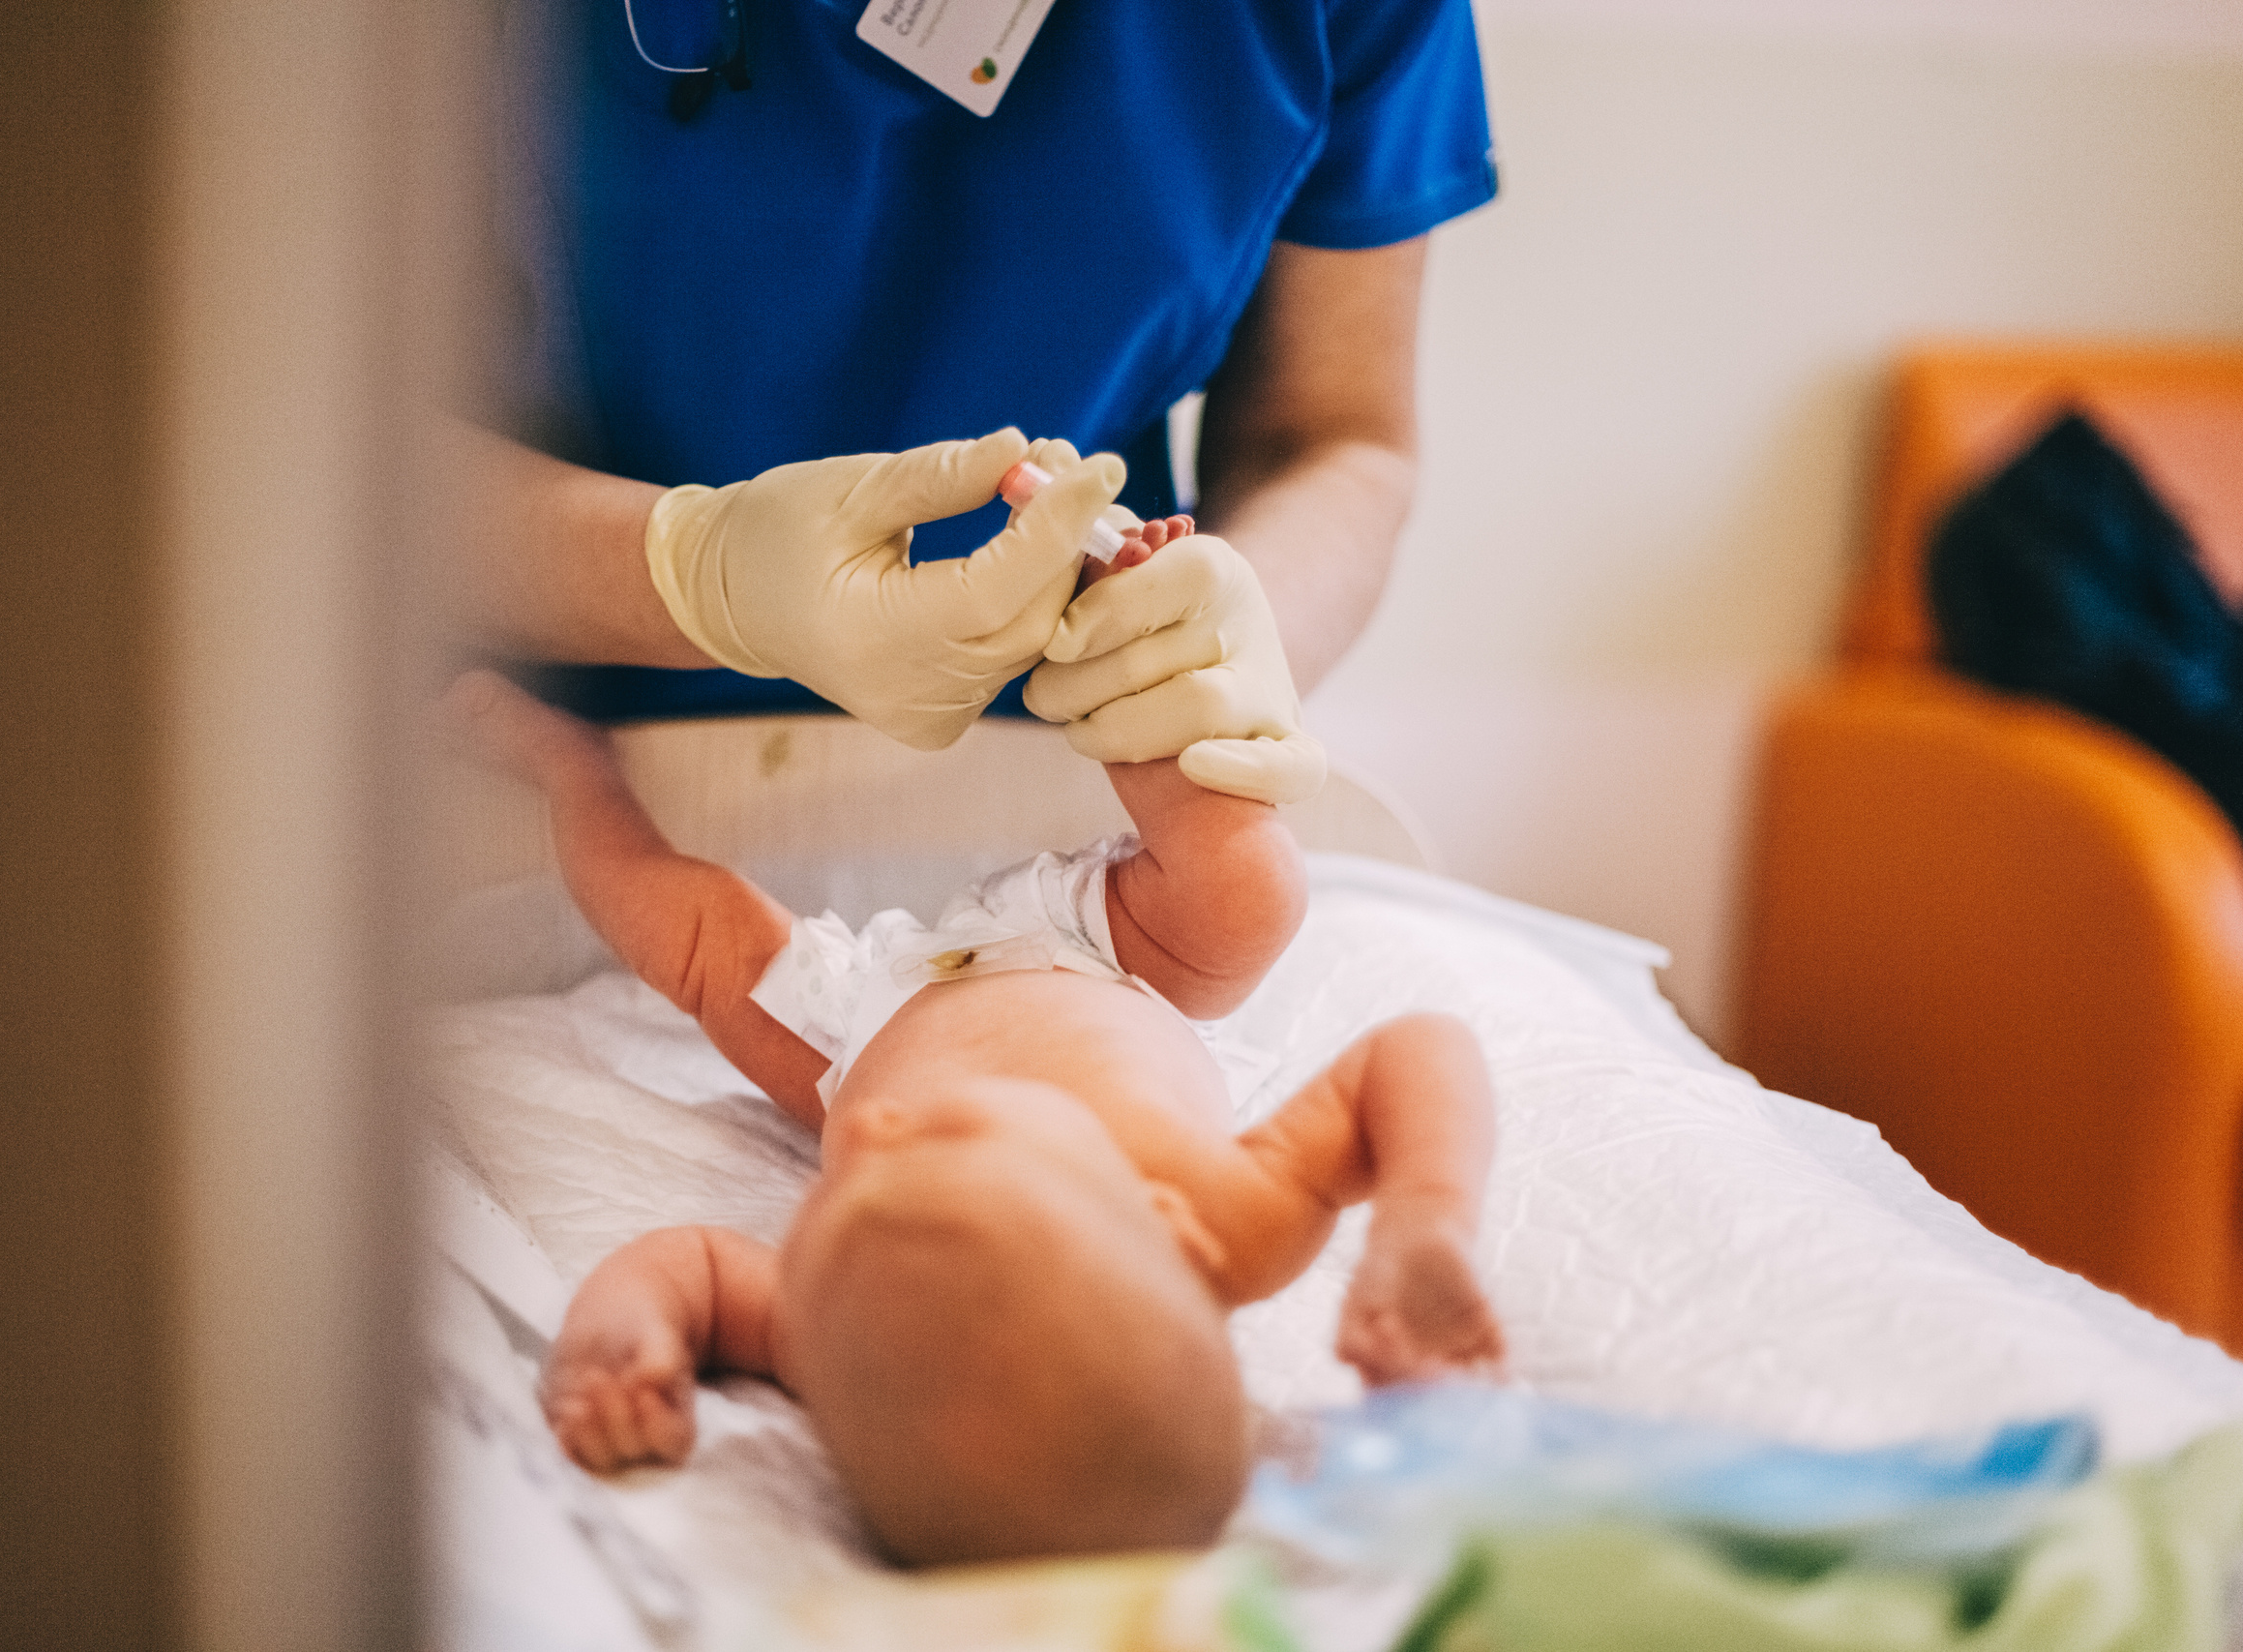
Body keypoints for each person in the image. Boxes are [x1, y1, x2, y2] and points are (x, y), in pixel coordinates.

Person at [440, 548, 1504, 1564]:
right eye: (954, 1142)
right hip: (1097, 960)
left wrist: (619, 1342)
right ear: (1156, 1229)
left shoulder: (842, 1332)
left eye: (866, 1176)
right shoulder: (1219, 1222)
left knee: (690, 938)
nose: (890, 1127)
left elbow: (696, 1269)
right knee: (1252, 895)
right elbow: (1417, 1054)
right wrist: (1421, 1214)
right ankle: (1114, 652)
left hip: (854, 1029)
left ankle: (572, 773)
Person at [453, 0, 1497, 801]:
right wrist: (689, 571)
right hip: (519, 765)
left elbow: (1329, 435)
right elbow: (304, 450)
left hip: (1059, 783)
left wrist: (1227, 632)